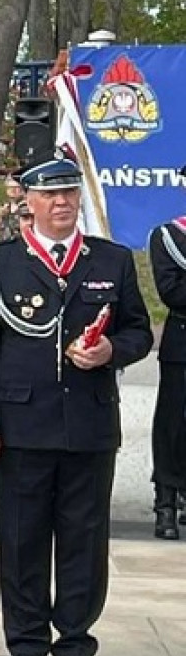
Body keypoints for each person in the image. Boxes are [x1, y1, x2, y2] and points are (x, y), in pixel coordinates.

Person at [0, 158, 152, 656]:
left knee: (83, 541)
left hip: (88, 424)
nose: (62, 202)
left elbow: (139, 332)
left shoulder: (111, 260)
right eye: (50, 195)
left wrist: (111, 350)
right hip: (21, 424)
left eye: (69, 192)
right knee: (22, 539)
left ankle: (74, 645)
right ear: (29, 201)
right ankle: (26, 645)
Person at [149, 203, 186, 539]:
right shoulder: (170, 236)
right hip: (183, 343)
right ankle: (166, 501)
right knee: (173, 425)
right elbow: (172, 292)